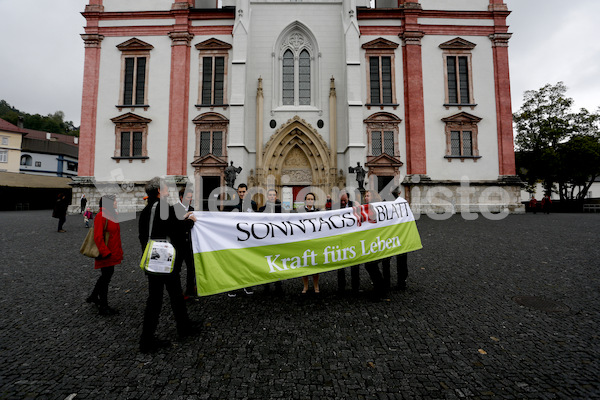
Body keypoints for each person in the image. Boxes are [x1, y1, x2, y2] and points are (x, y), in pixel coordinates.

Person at [138, 177, 198, 353]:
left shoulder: (147, 210)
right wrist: (190, 221)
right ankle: (147, 341)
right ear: (158, 191)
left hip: (152, 260)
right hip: (164, 261)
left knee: (170, 295)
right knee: (162, 298)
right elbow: (178, 229)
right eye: (165, 188)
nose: (167, 191)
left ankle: (183, 326)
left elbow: (151, 232)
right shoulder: (164, 207)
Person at [86, 195, 123, 315]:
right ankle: (103, 306)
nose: (116, 203)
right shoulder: (101, 216)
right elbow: (98, 237)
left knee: (105, 277)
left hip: (112, 252)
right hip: (106, 253)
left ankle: (93, 296)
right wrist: (105, 252)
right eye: (115, 201)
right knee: (105, 278)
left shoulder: (112, 215)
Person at [228, 183, 257, 297]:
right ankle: (233, 286)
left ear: (247, 192)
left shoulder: (253, 204)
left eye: (243, 192)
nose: (241, 194)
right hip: (235, 237)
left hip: (248, 238)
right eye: (239, 192)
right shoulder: (231, 204)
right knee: (234, 263)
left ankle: (247, 284)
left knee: (247, 262)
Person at [362, 190, 389, 301]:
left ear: (373, 197)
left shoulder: (375, 208)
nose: (365, 197)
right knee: (371, 265)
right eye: (365, 196)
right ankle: (380, 289)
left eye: (368, 196)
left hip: (378, 241)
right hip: (373, 241)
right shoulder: (368, 207)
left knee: (371, 265)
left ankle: (380, 291)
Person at [334, 191, 360, 293]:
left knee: (355, 263)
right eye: (341, 201)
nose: (343, 202)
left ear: (348, 199)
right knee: (341, 264)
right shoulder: (335, 207)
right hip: (341, 238)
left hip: (353, 237)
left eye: (345, 200)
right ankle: (341, 287)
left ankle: (355, 287)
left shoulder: (354, 205)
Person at [260, 188, 284, 294]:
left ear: (276, 196)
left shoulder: (282, 210)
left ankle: (278, 282)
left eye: (273, 195)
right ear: (267, 196)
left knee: (278, 260)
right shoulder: (261, 210)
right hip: (265, 240)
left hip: (277, 240)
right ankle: (266, 283)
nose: (271, 197)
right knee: (265, 261)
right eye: (270, 195)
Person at [175, 187, 196, 300]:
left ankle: (190, 290)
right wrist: (189, 221)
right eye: (188, 197)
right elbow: (178, 227)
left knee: (191, 268)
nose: (191, 199)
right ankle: (177, 292)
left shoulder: (192, 209)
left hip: (189, 244)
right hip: (178, 244)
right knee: (176, 269)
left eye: (191, 197)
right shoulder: (174, 209)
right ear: (182, 198)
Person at [301, 192, 320, 294]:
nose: (310, 200)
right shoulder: (300, 212)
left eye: (311, 199)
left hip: (314, 241)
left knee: (315, 265)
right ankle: (305, 286)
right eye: (308, 199)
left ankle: (316, 286)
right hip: (304, 241)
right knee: (305, 264)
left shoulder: (317, 212)